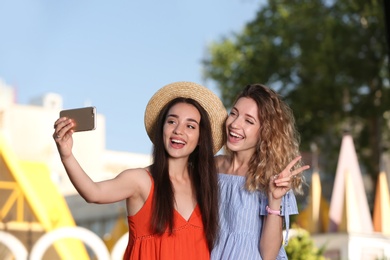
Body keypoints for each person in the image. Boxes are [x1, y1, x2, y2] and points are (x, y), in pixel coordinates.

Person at [53, 81, 227, 259]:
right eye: (172, 121)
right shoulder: (140, 180)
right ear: (162, 129)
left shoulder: (207, 186)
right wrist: (67, 155)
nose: (178, 130)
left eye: (190, 126)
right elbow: (93, 193)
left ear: (200, 138)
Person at [211, 83, 310, 260]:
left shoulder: (270, 178)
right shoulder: (211, 168)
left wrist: (275, 199)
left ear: (265, 132)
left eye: (249, 121)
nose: (234, 124)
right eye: (234, 113)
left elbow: (269, 254)